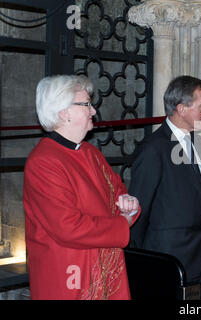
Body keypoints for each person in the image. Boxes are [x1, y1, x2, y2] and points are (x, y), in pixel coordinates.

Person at [23, 75, 140, 300]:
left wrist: (129, 205)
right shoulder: (43, 162)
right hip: (70, 276)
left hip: (106, 265)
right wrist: (121, 224)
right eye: (86, 104)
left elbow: (118, 192)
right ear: (63, 112)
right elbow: (68, 227)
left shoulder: (91, 153)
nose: (93, 111)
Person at [128, 75, 201, 299]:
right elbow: (139, 208)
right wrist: (142, 261)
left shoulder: (197, 141)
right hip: (170, 256)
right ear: (181, 108)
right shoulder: (153, 149)